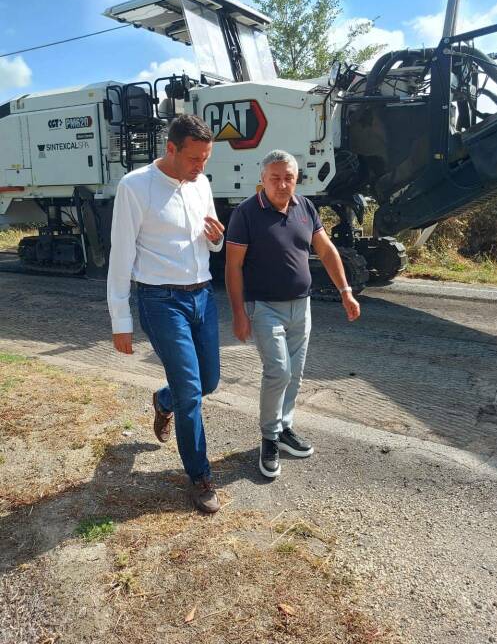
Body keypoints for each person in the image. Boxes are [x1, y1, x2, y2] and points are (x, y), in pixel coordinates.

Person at [107, 114, 224, 513]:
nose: (201, 168)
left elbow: (208, 242)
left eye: (206, 159)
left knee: (208, 382)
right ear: (170, 148)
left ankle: (163, 399)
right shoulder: (135, 186)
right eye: (194, 159)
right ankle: (200, 476)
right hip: (161, 302)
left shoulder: (202, 184)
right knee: (192, 392)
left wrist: (217, 240)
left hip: (203, 296)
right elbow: (121, 255)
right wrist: (120, 320)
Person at [225, 149, 361, 478]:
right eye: (275, 178)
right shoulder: (246, 213)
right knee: (279, 372)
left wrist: (346, 291)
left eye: (288, 178)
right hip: (264, 307)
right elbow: (233, 266)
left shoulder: (305, 207)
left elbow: (326, 250)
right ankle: (269, 438)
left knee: (296, 374)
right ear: (263, 179)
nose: (282, 184)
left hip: (302, 305)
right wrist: (239, 313)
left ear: (296, 179)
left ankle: (285, 429)